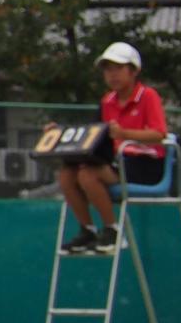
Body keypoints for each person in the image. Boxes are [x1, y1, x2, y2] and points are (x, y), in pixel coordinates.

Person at [56, 41, 169, 255]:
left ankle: (112, 231)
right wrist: (59, 133)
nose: (112, 75)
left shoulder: (148, 96)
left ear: (134, 71)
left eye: (119, 68)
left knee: (88, 174)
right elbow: (95, 134)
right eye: (108, 69)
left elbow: (159, 134)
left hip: (146, 165)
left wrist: (125, 134)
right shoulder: (107, 101)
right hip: (116, 163)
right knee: (67, 175)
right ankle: (88, 230)